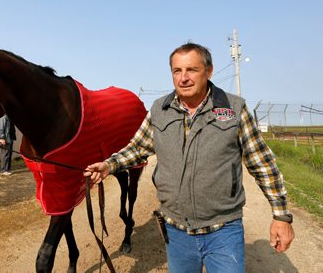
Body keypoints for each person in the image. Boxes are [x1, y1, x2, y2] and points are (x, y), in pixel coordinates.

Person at [85, 43, 294, 272]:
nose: (183, 78)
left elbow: (262, 163)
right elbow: (137, 148)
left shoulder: (233, 109)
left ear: (209, 71)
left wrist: (281, 216)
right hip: (176, 231)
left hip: (223, 230)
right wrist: (109, 165)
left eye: (191, 70)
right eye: (177, 71)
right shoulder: (160, 110)